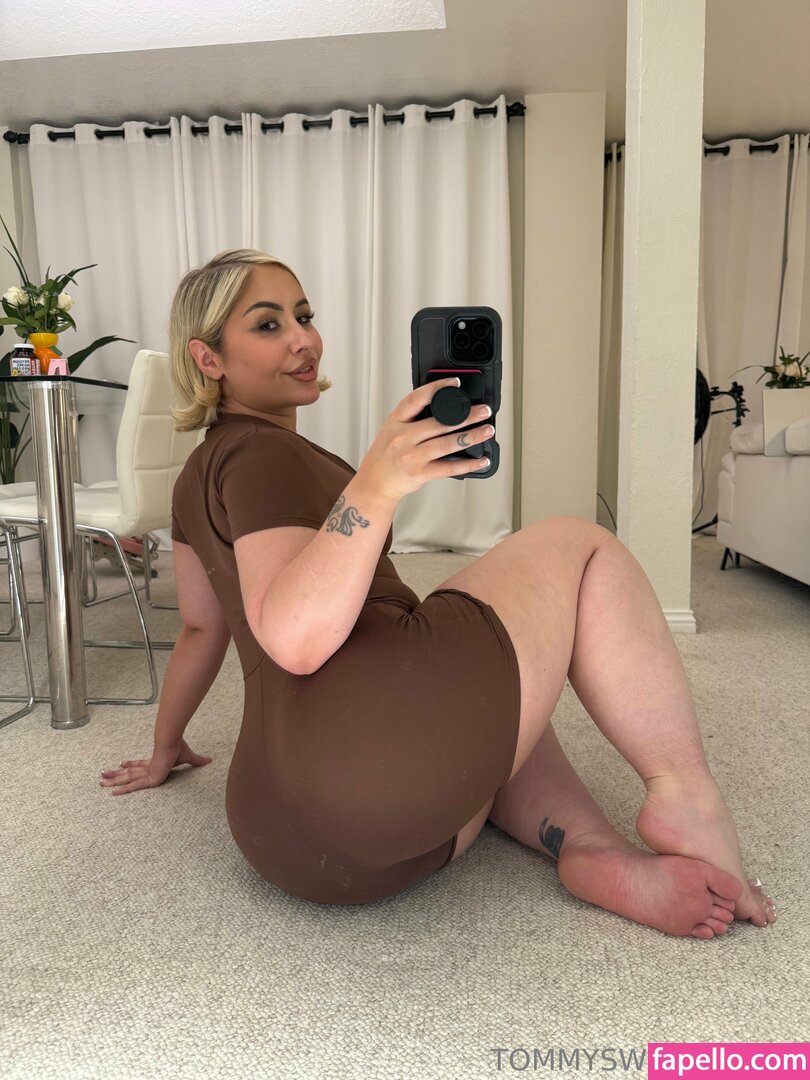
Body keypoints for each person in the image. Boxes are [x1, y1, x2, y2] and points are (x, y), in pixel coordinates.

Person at [100, 248, 776, 938]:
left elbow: (200, 629)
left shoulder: (196, 475)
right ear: (208, 358)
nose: (303, 339)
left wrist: (165, 746)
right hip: (376, 774)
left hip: (282, 837)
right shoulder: (260, 452)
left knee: (492, 654)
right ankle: (684, 795)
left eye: (304, 316)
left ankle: (587, 845)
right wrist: (376, 485)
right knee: (580, 545)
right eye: (268, 325)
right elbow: (296, 640)